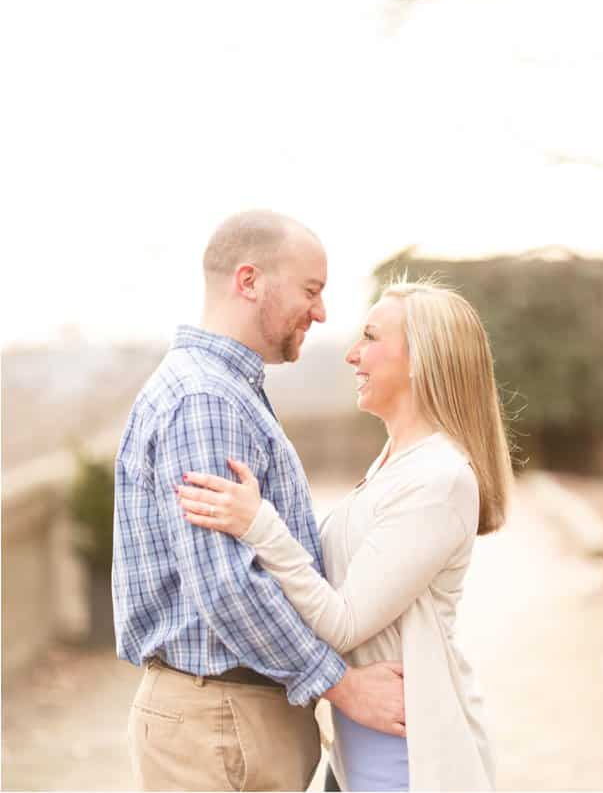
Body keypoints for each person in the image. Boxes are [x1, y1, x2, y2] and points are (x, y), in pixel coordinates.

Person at [176, 279, 512, 791]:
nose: (353, 355)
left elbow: (345, 621)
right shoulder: (395, 463)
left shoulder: (439, 479)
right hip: (359, 754)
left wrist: (259, 524)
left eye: (371, 338)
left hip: (406, 760)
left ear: (422, 359)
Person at [113, 210, 407, 791]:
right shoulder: (206, 400)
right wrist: (341, 685)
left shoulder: (224, 391)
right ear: (249, 281)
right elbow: (226, 585)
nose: (321, 312)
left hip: (232, 718)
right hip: (218, 721)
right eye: (311, 290)